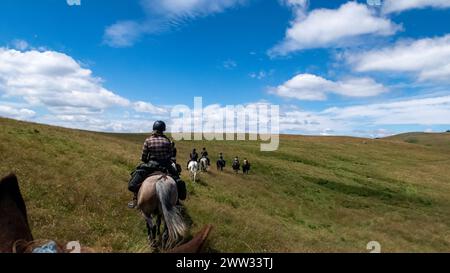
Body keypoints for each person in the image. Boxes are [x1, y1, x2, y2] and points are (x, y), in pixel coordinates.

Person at [128, 121, 186, 209]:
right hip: (165, 165)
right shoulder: (167, 140)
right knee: (177, 178)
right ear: (163, 130)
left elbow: (144, 156)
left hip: (150, 165)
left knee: (134, 180)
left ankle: (135, 199)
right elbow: (170, 155)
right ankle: (177, 201)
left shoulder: (148, 140)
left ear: (154, 129)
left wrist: (145, 160)